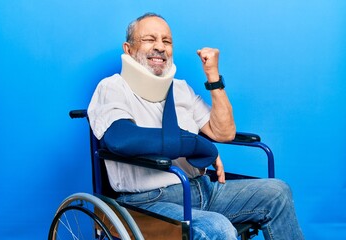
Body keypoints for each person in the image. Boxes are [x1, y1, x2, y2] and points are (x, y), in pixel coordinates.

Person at [88, 13, 304, 240]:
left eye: (167, 41)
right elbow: (121, 139)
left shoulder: (180, 89)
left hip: (204, 189)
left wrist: (213, 77)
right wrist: (195, 144)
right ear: (128, 49)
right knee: (218, 228)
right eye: (150, 39)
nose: (160, 47)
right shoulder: (112, 87)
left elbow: (224, 133)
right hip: (149, 200)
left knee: (277, 192)